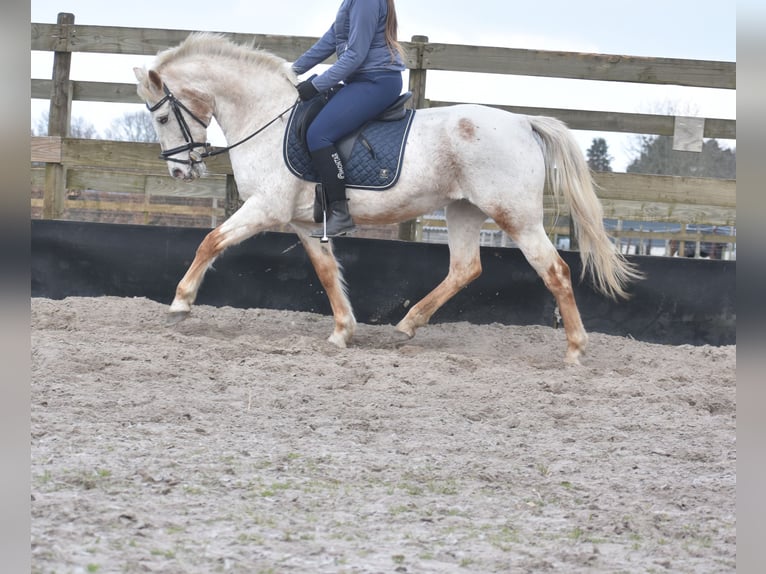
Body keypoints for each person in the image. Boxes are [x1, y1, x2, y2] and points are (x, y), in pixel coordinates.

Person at [292, 0, 406, 238]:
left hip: (377, 81)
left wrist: (316, 85)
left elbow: (355, 54)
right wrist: (291, 70)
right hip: (362, 79)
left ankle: (340, 215)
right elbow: (330, 40)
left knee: (318, 134)